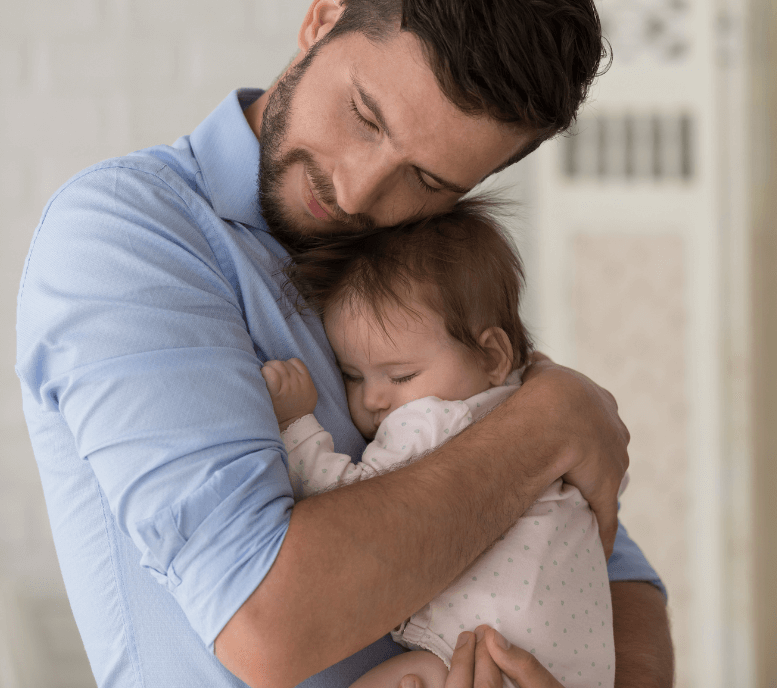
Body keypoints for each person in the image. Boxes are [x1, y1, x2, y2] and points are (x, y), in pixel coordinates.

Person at [15, 0, 674, 688]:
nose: (360, 191)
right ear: (323, 16)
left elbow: (613, 572)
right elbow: (268, 625)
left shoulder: (427, 266)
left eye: (428, 179)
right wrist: (549, 422)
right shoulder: (129, 236)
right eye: (365, 116)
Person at [263, 200, 619, 688]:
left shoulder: (432, 421)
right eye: (351, 375)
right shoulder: (529, 400)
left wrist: (296, 422)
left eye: (401, 374)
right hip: (576, 667)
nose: (372, 398)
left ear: (492, 355)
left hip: (476, 657)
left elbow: (349, 504)